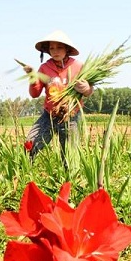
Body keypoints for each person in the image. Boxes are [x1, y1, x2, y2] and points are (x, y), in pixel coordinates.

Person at [22, 30, 93, 163]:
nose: (55, 51)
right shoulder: (45, 68)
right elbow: (35, 93)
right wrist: (32, 77)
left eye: (59, 47)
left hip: (70, 116)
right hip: (49, 115)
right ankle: (25, 174)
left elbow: (89, 92)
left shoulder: (79, 66)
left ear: (67, 49)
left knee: (69, 155)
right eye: (52, 48)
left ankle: (68, 180)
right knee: (30, 145)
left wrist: (87, 89)